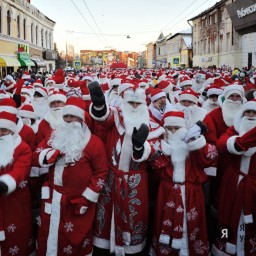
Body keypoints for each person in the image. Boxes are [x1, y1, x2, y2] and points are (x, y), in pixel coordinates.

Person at [88, 81, 164, 256]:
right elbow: (103, 118)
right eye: (131, 103)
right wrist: (100, 104)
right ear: (124, 102)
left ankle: (132, 249)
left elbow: (157, 155)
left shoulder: (152, 127)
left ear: (145, 105)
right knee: (105, 217)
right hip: (111, 178)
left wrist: (140, 149)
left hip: (136, 183)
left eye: (138, 103)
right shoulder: (117, 117)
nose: (135, 106)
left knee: (135, 217)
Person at [33, 96, 109, 256]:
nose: (68, 120)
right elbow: (36, 155)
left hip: (77, 202)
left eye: (72, 116)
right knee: (49, 238)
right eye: (66, 116)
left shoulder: (94, 143)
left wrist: (87, 198)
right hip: (53, 200)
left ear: (81, 118)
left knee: (75, 242)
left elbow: (101, 172)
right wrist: (50, 154)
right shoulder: (54, 137)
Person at [151, 111, 218, 256]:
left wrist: (196, 141)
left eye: (177, 128)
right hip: (167, 191)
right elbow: (155, 166)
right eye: (170, 128)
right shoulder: (161, 146)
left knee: (193, 225)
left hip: (191, 192)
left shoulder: (193, 146)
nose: (173, 132)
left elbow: (210, 158)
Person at [212, 100, 256, 256]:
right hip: (233, 182)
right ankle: (223, 246)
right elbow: (222, 145)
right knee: (226, 215)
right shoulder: (234, 130)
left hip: (253, 185)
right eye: (247, 112)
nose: (250, 116)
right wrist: (240, 142)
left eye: (254, 113)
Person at [0, 111, 33, 255]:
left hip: (14, 199)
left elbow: (22, 169)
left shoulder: (23, 148)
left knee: (15, 237)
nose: (0, 134)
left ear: (12, 131)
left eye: (4, 130)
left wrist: (7, 182)